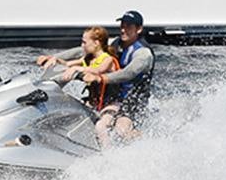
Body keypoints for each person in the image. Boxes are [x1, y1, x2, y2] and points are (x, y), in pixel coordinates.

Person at [37, 10, 155, 144]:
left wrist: (101, 78)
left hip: (133, 101)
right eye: (122, 25)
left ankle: (148, 143)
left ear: (139, 29)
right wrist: (54, 58)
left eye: (128, 26)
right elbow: (86, 50)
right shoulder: (116, 43)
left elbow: (129, 73)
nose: (123, 29)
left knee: (121, 130)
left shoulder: (143, 53)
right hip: (114, 97)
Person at [51, 26, 120, 111]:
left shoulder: (107, 59)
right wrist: (55, 59)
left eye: (84, 42)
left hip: (110, 103)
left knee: (102, 123)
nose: (82, 46)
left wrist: (76, 68)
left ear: (96, 43)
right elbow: (67, 64)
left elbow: (97, 70)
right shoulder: (88, 58)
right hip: (94, 102)